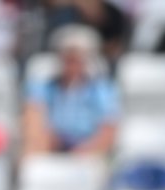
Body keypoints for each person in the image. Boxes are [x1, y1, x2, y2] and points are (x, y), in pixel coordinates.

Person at [21, 25, 119, 158]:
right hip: (50, 143)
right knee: (31, 125)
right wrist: (46, 138)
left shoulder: (101, 89)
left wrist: (82, 151)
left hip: (87, 146)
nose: (72, 64)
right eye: (67, 58)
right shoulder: (43, 86)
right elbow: (33, 119)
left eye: (77, 59)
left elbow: (108, 128)